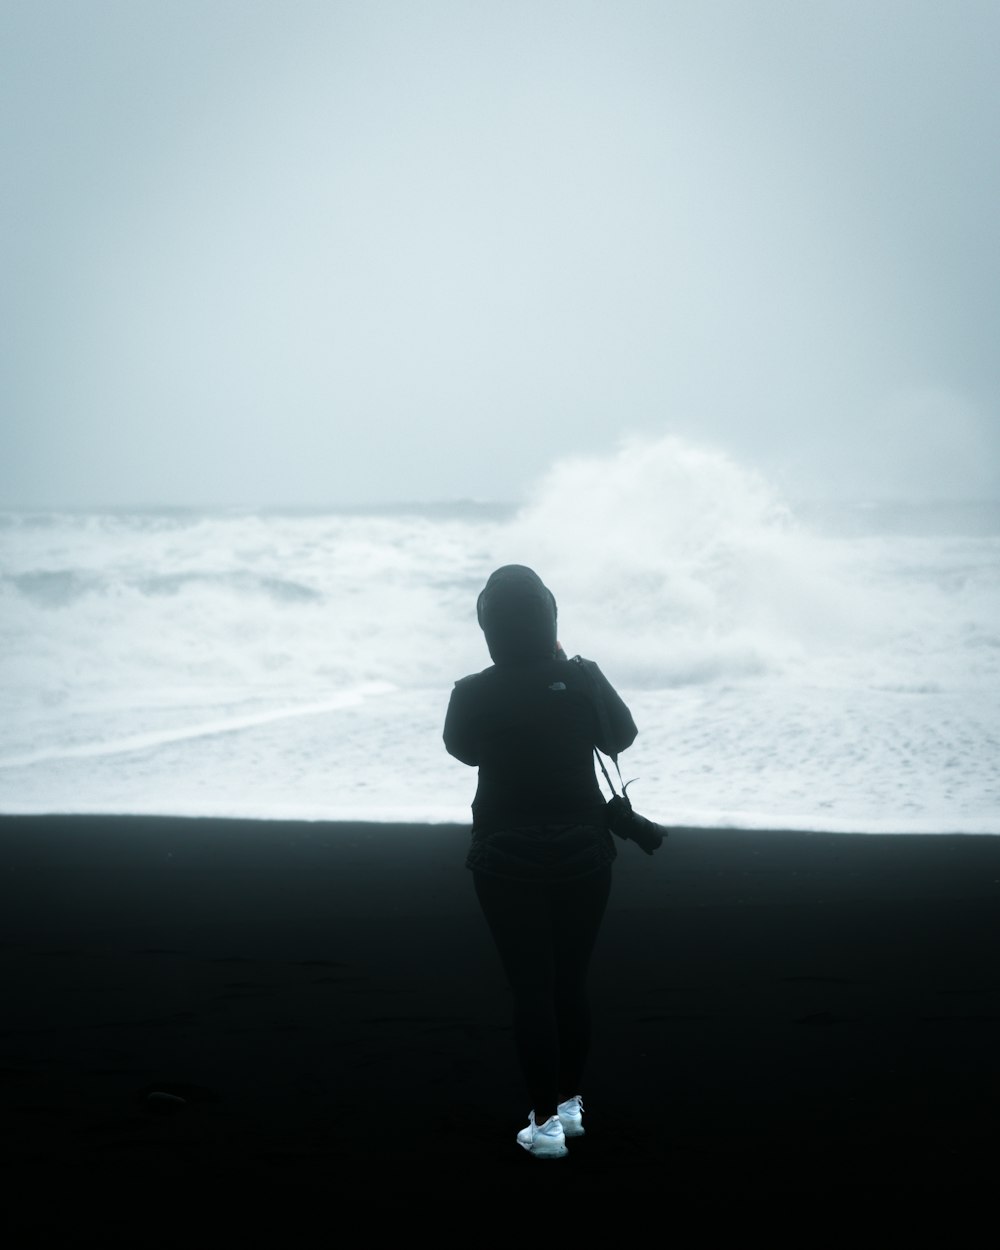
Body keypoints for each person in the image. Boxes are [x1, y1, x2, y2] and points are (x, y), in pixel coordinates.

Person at [443, 564, 637, 1159]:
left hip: (504, 851)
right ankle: (573, 1106)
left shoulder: (473, 690)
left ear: (487, 627)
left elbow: (462, 749)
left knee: (530, 988)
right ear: (550, 619)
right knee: (570, 981)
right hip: (584, 847)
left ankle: (545, 1124)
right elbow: (622, 738)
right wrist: (564, 671)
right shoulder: (581, 678)